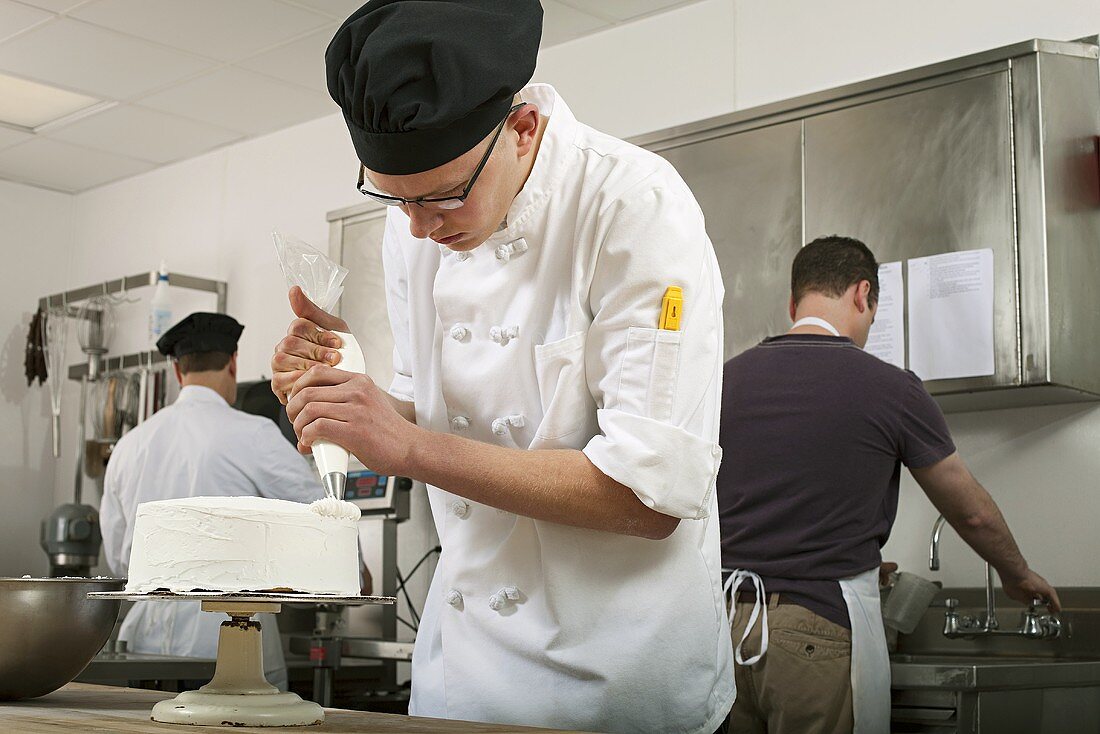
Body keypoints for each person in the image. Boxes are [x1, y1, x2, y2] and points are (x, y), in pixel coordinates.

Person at [270, 1, 733, 731]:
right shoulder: (415, 227)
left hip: (614, 680)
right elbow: (422, 413)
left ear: (522, 130)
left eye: (444, 195)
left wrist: (410, 448)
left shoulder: (634, 207)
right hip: (464, 673)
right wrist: (340, 389)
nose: (421, 227)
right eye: (394, 200)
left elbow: (645, 499)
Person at [717, 235, 1061, 734]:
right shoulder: (890, 387)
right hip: (816, 628)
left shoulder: (724, 382)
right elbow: (972, 513)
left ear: (793, 304)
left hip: (723, 630)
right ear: (863, 295)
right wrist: (1017, 574)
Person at [101, 312, 325, 691]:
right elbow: (320, 521)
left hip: (143, 646)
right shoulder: (253, 433)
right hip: (231, 644)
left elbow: (120, 560)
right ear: (233, 363)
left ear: (177, 372)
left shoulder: (129, 446)